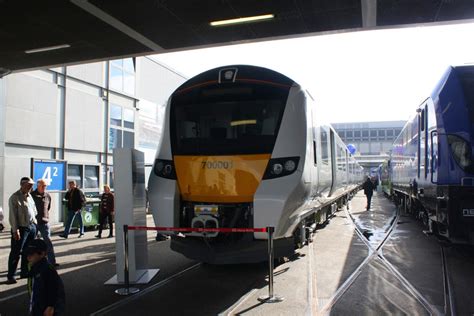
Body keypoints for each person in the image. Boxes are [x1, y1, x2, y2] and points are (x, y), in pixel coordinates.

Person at [7, 177, 37, 284]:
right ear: (22, 184)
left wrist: (35, 223)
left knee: (27, 251)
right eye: (29, 184)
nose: (31, 187)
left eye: (31, 185)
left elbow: (34, 211)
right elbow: (12, 216)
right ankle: (11, 275)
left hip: (31, 226)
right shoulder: (14, 197)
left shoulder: (30, 197)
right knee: (16, 252)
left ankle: (24, 272)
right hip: (21, 228)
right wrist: (15, 230)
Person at [26, 239, 65, 316]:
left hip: (46, 309)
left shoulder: (48, 270)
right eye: (27, 254)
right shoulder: (33, 266)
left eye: (31, 254)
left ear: (42, 254)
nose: (28, 257)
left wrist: (50, 306)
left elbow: (54, 290)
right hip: (37, 305)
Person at [32, 179, 58, 266]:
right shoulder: (32, 196)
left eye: (45, 186)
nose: (44, 188)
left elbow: (48, 207)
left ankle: (52, 262)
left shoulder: (47, 196)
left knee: (48, 243)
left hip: (44, 222)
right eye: (42, 186)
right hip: (34, 223)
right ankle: (31, 263)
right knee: (32, 244)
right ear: (38, 186)